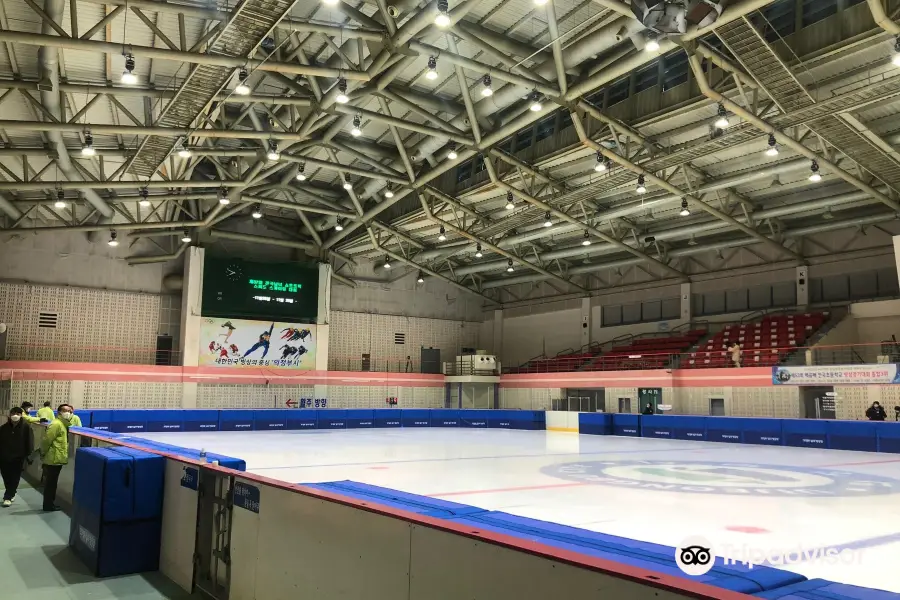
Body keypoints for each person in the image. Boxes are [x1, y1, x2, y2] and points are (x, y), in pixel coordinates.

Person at [40, 404, 74, 512]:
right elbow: (46, 440)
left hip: (56, 458)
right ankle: (48, 505)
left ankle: (50, 504)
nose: (68, 413)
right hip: (52, 459)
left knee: (52, 483)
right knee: (50, 484)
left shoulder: (63, 424)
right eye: (65, 410)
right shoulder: (56, 424)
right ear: (59, 412)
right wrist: (43, 453)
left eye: (70, 411)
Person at [0, 407, 34, 507]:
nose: (15, 415)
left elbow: (29, 442)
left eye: (18, 413)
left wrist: (28, 455)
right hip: (4, 456)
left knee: (15, 476)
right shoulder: (3, 428)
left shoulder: (26, 427)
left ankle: (8, 496)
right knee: (6, 476)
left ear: (21, 415)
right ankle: (11, 492)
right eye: (13, 413)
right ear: (9, 415)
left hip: (18, 457)